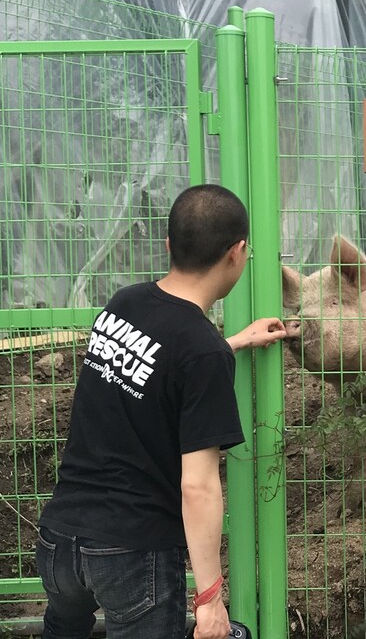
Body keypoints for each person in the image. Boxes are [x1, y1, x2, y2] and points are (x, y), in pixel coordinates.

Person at [34, 184, 287, 639]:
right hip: (131, 551)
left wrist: (230, 345)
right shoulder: (200, 350)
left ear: (169, 243)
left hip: (59, 541)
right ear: (238, 252)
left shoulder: (123, 304)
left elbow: (153, 370)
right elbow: (198, 485)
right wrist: (210, 599)